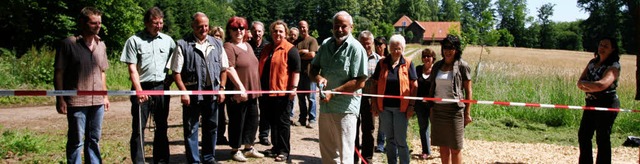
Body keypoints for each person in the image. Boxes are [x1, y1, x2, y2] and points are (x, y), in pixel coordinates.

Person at [170, 12, 247, 164]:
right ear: (193, 26)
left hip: (212, 94)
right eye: (200, 26)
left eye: (206, 26)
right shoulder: (182, 44)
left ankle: (209, 157)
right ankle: (193, 160)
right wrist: (184, 92)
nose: (203, 29)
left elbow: (224, 68)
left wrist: (222, 88)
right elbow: (176, 72)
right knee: (191, 129)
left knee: (211, 127)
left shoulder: (217, 44)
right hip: (192, 95)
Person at [310, 11, 368, 163]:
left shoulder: (356, 48)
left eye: (344, 26)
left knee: (345, 154)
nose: (340, 30)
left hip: (345, 110)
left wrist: (333, 93)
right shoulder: (325, 44)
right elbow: (313, 69)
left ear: (351, 27)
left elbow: (360, 81)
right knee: (327, 153)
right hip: (325, 107)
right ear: (332, 27)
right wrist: (318, 77)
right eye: (337, 26)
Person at [54, 6, 109, 164]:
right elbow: (59, 73)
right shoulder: (68, 44)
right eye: (93, 23)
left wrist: (104, 96)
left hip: (97, 102)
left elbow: (102, 72)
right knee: (76, 140)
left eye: (99, 23)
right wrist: (60, 99)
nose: (97, 26)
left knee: (94, 139)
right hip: (76, 101)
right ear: (82, 22)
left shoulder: (101, 45)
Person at [119, 7, 175, 164]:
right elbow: (132, 69)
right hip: (142, 87)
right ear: (146, 23)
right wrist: (138, 90)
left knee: (162, 127)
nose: (158, 26)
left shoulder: (168, 41)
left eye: (161, 23)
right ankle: (139, 160)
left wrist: (170, 79)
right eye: (155, 23)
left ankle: (162, 160)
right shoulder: (134, 40)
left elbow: (177, 63)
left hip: (161, 89)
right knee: (138, 128)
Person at [222, 16, 265, 162]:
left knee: (252, 120)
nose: (238, 31)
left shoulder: (248, 45)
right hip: (238, 92)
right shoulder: (228, 46)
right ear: (230, 31)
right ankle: (235, 149)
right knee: (237, 121)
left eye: (241, 28)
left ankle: (248, 148)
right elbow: (229, 68)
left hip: (252, 91)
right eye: (235, 28)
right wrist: (240, 87)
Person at [370, 34, 417, 164]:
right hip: (384, 108)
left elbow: (414, 86)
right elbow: (374, 84)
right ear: (389, 48)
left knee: (400, 140)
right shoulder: (382, 63)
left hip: (401, 109)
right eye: (393, 48)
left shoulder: (407, 63)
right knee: (389, 139)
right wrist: (374, 103)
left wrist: (412, 106)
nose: (396, 51)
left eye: (399, 48)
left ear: (403, 49)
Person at [258, 20, 301, 162]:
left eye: (281, 31)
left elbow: (296, 70)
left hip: (283, 93)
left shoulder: (290, 49)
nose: (278, 33)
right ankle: (275, 147)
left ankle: (283, 150)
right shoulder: (266, 48)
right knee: (272, 122)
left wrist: (293, 89)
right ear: (271, 33)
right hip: (266, 93)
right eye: (275, 31)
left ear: (286, 33)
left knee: (282, 123)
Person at [427, 34, 473, 164]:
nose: (447, 51)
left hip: (454, 112)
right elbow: (432, 88)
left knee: (456, 148)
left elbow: (468, 90)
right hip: (438, 110)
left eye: (451, 48)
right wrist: (431, 108)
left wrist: (467, 113)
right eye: (445, 47)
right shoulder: (437, 66)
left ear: (457, 49)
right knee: (443, 146)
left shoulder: (463, 66)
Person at [576, 36, 621, 164]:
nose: (602, 48)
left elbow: (602, 85)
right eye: (601, 45)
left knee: (602, 138)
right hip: (591, 103)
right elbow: (579, 83)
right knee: (584, 135)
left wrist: (588, 85)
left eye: (606, 46)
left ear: (613, 49)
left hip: (607, 104)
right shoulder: (592, 62)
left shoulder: (614, 66)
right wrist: (592, 87)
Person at [353, 30, 380, 164]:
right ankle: (353, 158)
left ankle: (367, 159)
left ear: (372, 43)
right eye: (363, 43)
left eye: (368, 44)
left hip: (370, 99)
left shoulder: (379, 60)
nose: (366, 46)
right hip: (354, 97)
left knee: (369, 131)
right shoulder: (354, 58)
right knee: (353, 129)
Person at [292, 20, 319, 128]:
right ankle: (302, 118)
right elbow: (293, 55)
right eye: (300, 27)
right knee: (301, 97)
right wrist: (303, 51)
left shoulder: (312, 40)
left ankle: (312, 119)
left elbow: (312, 55)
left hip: (310, 74)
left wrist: (300, 55)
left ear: (308, 28)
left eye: (304, 27)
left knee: (311, 97)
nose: (302, 29)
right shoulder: (297, 42)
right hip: (299, 74)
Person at [249, 21, 272, 146]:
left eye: (259, 31)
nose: (257, 33)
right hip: (250, 83)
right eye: (254, 31)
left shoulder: (269, 46)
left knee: (265, 111)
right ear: (251, 32)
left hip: (264, 82)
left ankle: (263, 135)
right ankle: (248, 136)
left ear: (263, 32)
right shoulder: (246, 45)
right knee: (250, 111)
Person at [209, 26, 229, 145]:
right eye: (215, 36)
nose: (218, 38)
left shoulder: (223, 48)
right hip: (210, 87)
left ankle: (221, 135)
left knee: (222, 113)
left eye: (220, 36)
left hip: (223, 85)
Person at [415, 48, 436, 160]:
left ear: (433, 58)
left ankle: (442, 148)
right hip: (420, 105)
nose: (426, 58)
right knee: (423, 128)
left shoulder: (436, 70)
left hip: (433, 105)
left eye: (429, 56)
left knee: (437, 127)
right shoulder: (418, 69)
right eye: (424, 56)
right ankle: (426, 150)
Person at [373, 36, 388, 153]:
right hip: (378, 92)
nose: (378, 46)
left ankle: (389, 143)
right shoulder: (374, 58)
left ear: (385, 45)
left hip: (389, 93)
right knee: (381, 121)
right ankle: (380, 144)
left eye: (380, 44)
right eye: (376, 44)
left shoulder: (389, 59)